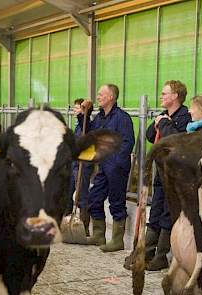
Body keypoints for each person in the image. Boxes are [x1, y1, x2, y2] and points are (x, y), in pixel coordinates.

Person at [142, 80, 192, 271]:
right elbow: (149, 135)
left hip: (175, 174)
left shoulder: (185, 118)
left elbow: (176, 142)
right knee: (155, 209)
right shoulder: (164, 115)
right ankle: (146, 251)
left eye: (165, 93)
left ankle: (161, 255)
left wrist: (164, 125)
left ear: (175, 96)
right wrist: (159, 122)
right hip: (160, 170)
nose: (161, 96)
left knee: (167, 212)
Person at [78, 84, 135, 252]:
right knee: (94, 199)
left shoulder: (122, 118)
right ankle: (98, 235)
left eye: (101, 94)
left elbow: (127, 142)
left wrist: (116, 162)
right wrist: (84, 115)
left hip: (116, 166)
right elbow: (88, 133)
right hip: (103, 165)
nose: (98, 96)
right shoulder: (100, 118)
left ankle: (118, 241)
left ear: (111, 97)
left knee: (116, 202)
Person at [67, 98, 93, 236]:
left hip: (83, 164)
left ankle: (84, 226)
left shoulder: (86, 124)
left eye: (77, 108)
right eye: (75, 108)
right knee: (68, 192)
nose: (74, 111)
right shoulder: (78, 126)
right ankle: (66, 221)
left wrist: (84, 112)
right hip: (74, 163)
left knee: (82, 195)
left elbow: (86, 124)